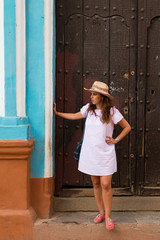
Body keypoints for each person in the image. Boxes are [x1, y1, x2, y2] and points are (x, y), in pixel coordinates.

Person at [53, 81, 131, 230]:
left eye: (94, 94)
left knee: (106, 184)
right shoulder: (89, 110)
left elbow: (127, 127)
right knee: (95, 183)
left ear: (102, 96)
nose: (91, 96)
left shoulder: (113, 112)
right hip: (90, 153)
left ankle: (108, 216)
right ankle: (100, 213)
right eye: (91, 93)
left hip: (106, 154)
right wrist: (57, 113)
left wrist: (116, 140)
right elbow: (76, 115)